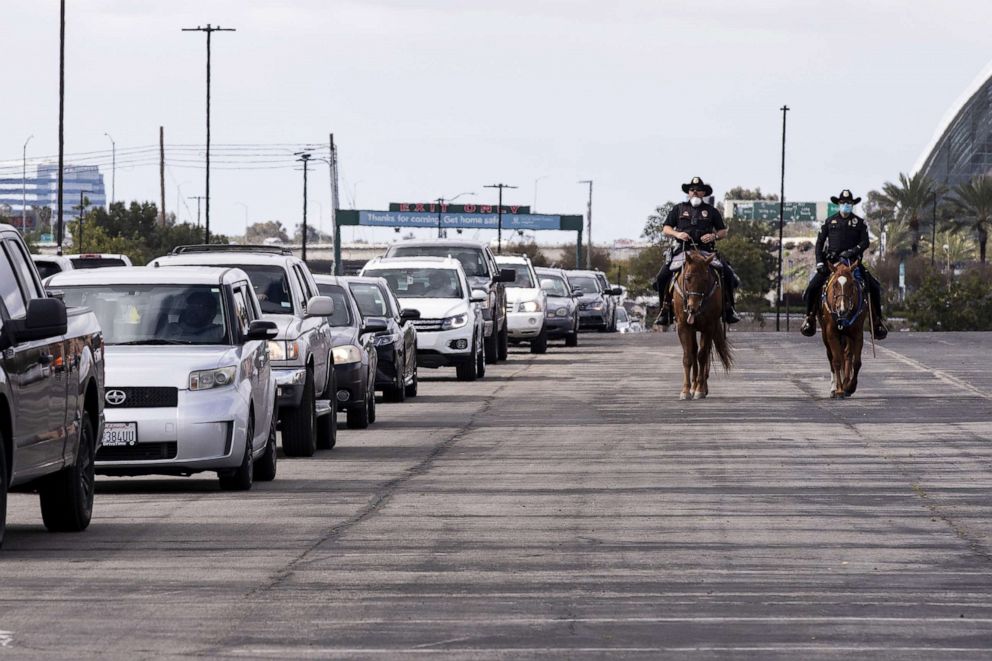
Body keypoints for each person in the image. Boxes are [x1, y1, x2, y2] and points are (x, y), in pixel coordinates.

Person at [800, 189, 887, 340]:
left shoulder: (859, 223)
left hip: (852, 264)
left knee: (874, 287)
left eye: (848, 203)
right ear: (838, 204)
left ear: (852, 205)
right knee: (812, 287)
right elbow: (819, 243)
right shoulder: (829, 221)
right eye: (843, 203)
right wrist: (820, 262)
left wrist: (852, 251)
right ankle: (809, 318)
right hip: (831, 264)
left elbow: (865, 242)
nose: (845, 205)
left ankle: (878, 321)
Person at [654, 176, 741, 326]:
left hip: (706, 251)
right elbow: (666, 228)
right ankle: (664, 310)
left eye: (699, 190)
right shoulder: (679, 209)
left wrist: (713, 235)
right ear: (688, 192)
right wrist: (677, 234)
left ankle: (729, 308)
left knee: (728, 274)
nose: (695, 192)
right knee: (661, 277)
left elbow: (723, 231)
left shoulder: (711, 211)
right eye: (692, 190)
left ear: (704, 193)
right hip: (682, 251)